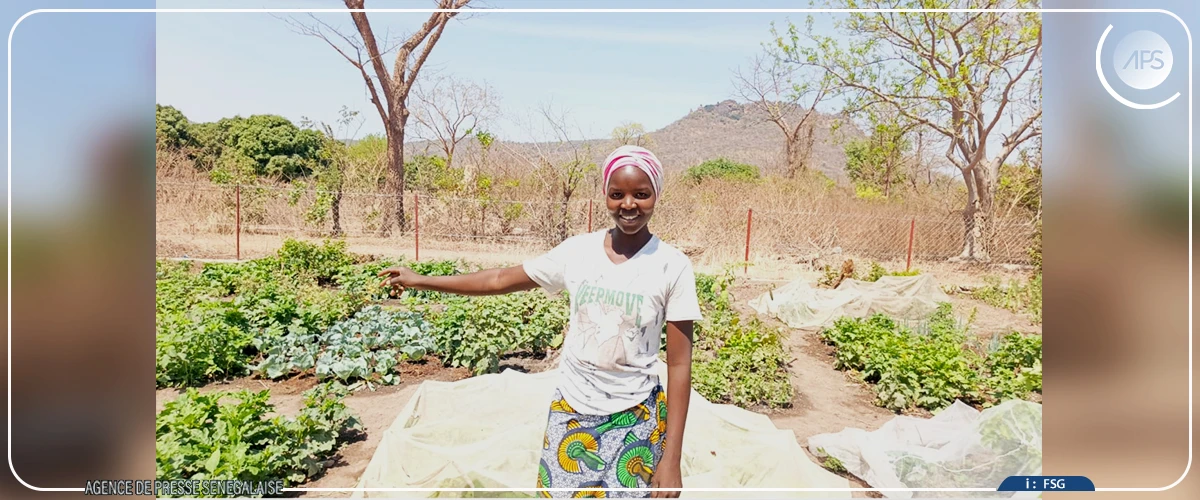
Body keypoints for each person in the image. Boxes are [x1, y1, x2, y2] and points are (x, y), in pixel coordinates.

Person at [378, 145, 701, 498]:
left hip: (636, 418)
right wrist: (421, 279)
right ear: (605, 195)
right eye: (616, 194)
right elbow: (500, 279)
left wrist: (672, 458)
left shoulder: (672, 265)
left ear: (656, 195)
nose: (628, 205)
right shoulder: (578, 252)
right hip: (573, 411)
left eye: (641, 194)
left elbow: (680, 363)